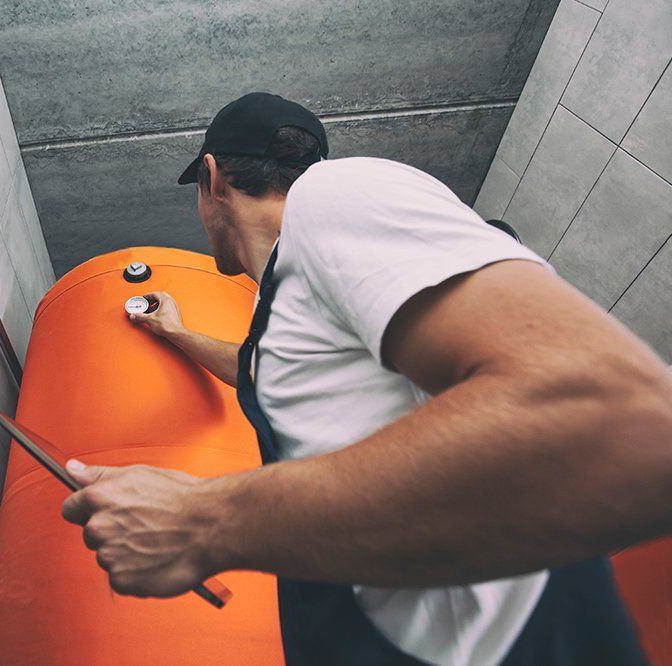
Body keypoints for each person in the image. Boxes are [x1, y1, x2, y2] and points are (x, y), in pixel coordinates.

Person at [60, 92, 668, 664]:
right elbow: (257, 369)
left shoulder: (334, 194)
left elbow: (617, 424)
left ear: (212, 179)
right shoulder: (285, 291)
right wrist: (176, 333)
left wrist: (202, 520)